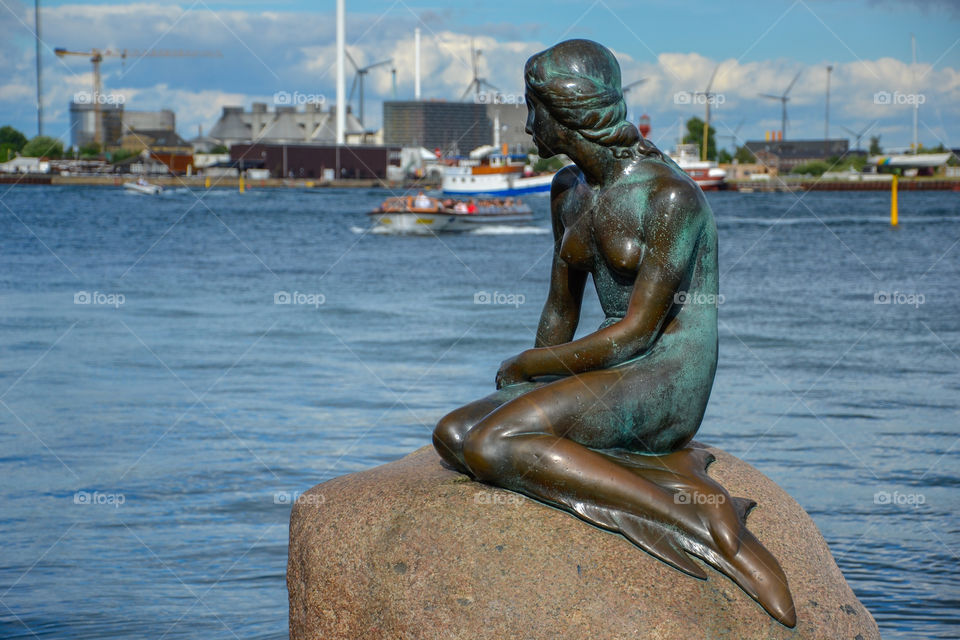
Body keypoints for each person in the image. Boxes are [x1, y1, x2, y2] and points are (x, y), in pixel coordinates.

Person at [432, 39, 794, 626]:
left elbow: (636, 333)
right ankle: (650, 472)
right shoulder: (566, 191)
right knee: (453, 432)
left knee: (491, 444)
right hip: (611, 364)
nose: (527, 126)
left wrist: (530, 370)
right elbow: (559, 311)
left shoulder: (669, 197)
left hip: (666, 370)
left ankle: (691, 519)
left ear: (569, 110)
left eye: (533, 109)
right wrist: (523, 392)